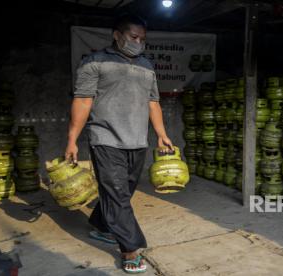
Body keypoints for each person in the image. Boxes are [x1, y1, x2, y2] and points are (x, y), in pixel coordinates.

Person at [65, 14, 173, 274]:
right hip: (105, 138)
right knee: (117, 194)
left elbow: (153, 102)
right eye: (133, 37)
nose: (138, 42)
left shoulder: (147, 66)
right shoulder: (95, 62)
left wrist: (161, 133)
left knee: (122, 191)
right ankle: (130, 249)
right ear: (117, 35)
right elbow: (82, 101)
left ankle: (101, 225)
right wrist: (72, 140)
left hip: (136, 139)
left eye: (142, 39)